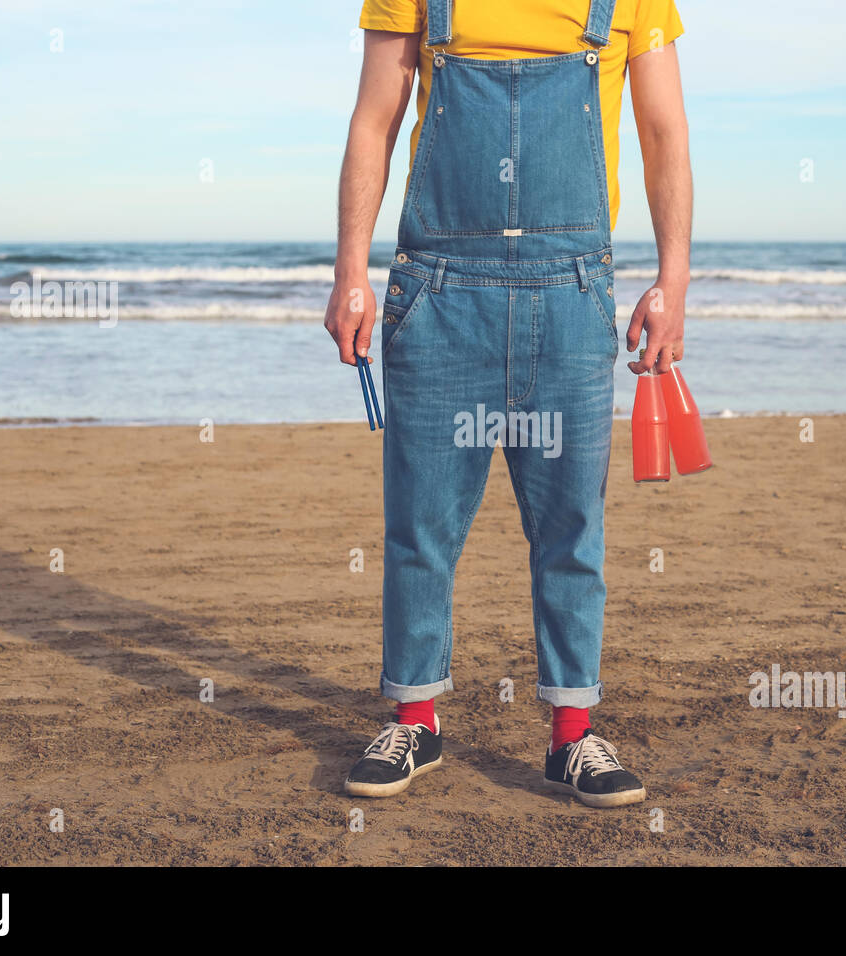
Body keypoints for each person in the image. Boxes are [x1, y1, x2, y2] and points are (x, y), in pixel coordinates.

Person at [324, 0, 690, 808]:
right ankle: (414, 721)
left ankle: (573, 737)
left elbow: (662, 133)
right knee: (419, 524)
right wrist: (351, 269)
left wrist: (673, 278)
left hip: (572, 296)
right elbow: (372, 122)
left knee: (570, 528)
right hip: (438, 294)